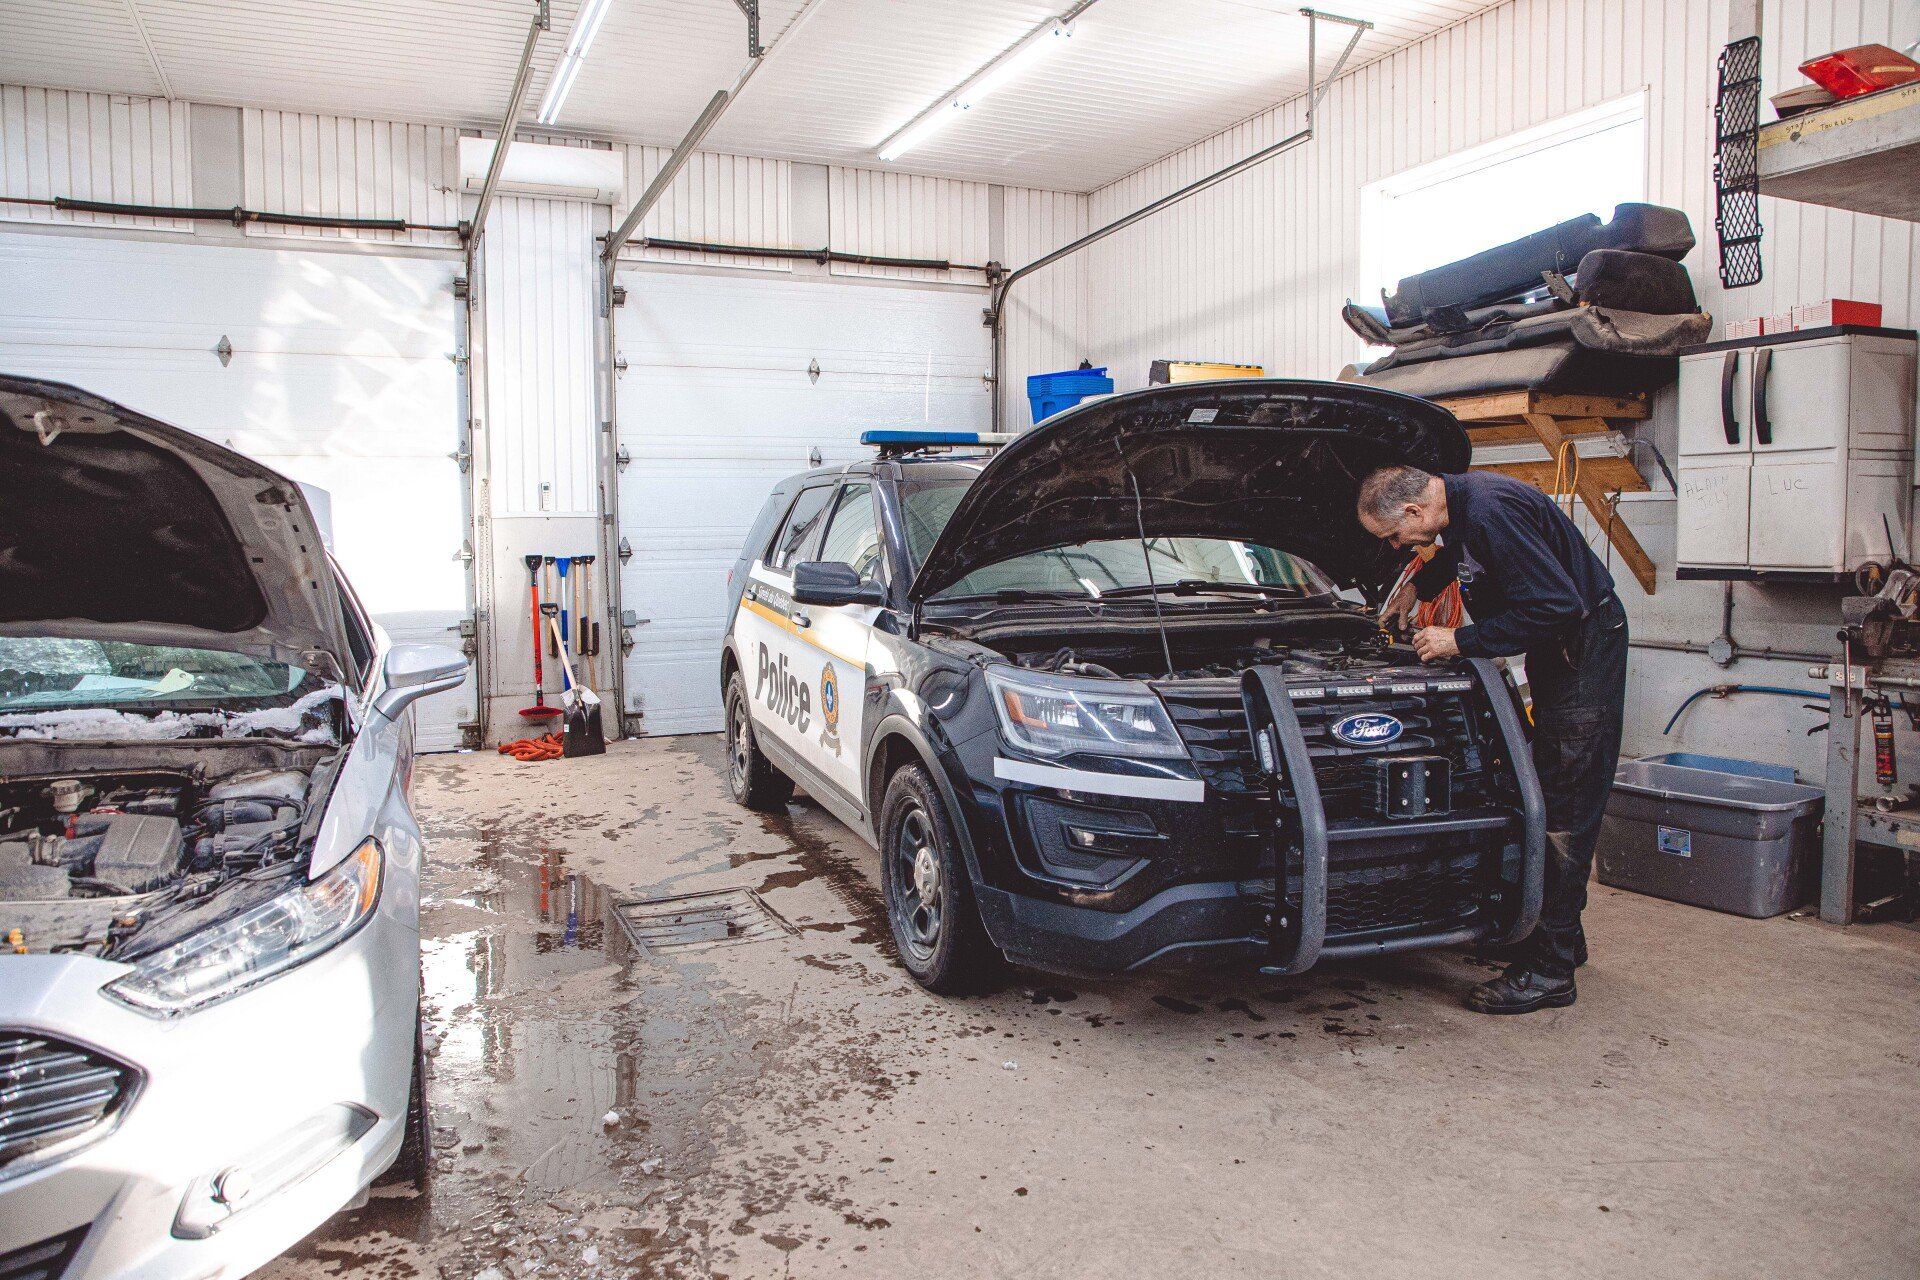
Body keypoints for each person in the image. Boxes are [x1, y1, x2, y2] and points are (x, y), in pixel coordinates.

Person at [1357, 465, 1628, 1014]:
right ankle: (1561, 940)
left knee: (1564, 808)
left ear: (1413, 512)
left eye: (1392, 537)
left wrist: (1461, 640)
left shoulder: (1490, 511)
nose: (1395, 545)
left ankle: (1550, 973)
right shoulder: (1459, 506)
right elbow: (1462, 557)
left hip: (1582, 656)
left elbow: (1556, 605)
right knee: (1543, 794)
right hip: (1563, 656)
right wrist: (1419, 586)